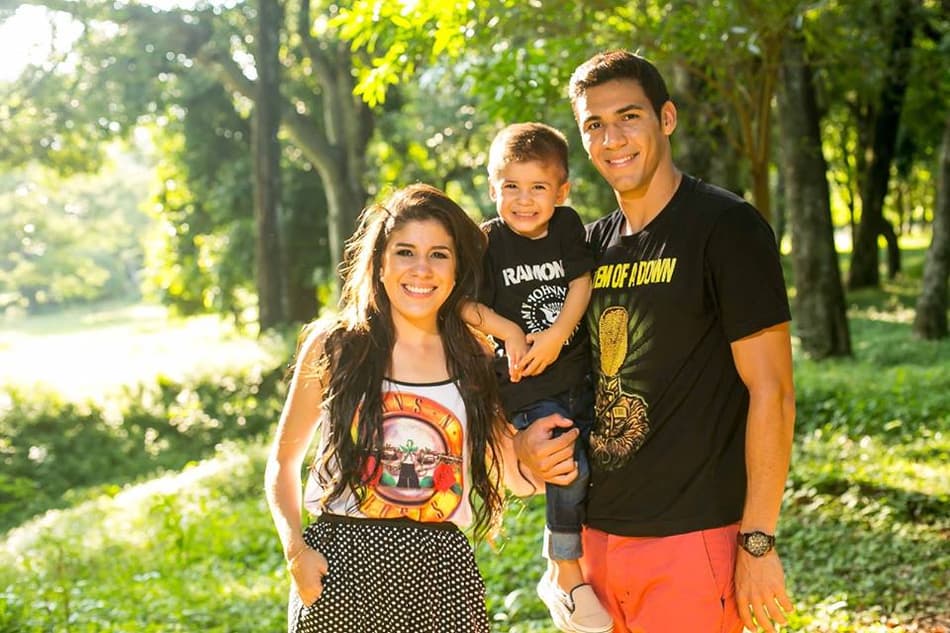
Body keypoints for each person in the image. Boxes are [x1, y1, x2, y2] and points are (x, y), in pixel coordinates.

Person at [513, 50, 796, 633]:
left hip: (692, 540)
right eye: (594, 124)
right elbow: (555, 378)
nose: (612, 138)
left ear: (666, 118)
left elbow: (773, 392)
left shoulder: (726, 228)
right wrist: (523, 446)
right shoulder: (585, 250)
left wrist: (758, 541)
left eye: (629, 117)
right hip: (593, 544)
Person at [264, 183, 529, 633]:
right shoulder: (336, 346)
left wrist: (546, 452)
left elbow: (512, 472)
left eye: (439, 254)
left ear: (456, 268)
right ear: (380, 264)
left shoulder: (475, 358)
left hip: (443, 573)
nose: (421, 270)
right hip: (341, 568)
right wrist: (296, 552)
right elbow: (282, 462)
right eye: (405, 252)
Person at [462, 123, 613, 633]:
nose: (523, 201)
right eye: (511, 187)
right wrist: (510, 331)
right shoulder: (487, 242)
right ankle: (564, 570)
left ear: (561, 191)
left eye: (538, 188)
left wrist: (555, 335)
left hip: (578, 376)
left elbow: (581, 282)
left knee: (597, 462)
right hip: (527, 386)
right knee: (565, 462)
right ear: (492, 187)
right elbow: (463, 304)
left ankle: (587, 561)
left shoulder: (568, 226)